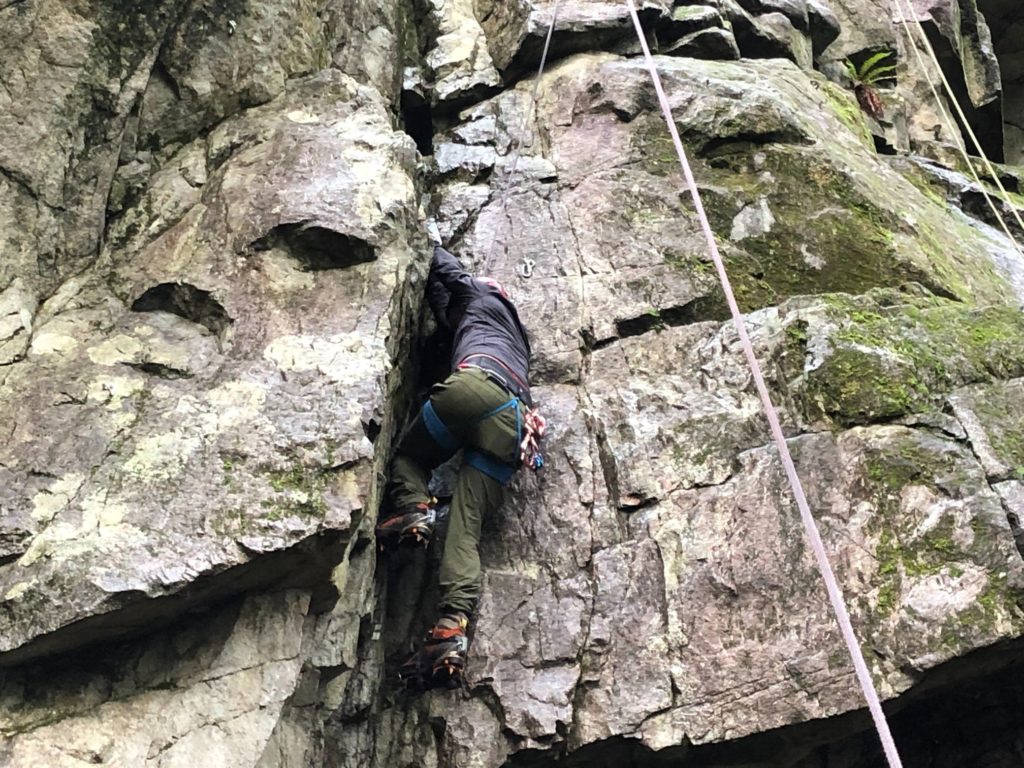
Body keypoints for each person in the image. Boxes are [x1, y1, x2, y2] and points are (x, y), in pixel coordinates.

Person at [375, 221, 539, 690]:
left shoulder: (480, 298)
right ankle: (450, 629)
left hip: (475, 387)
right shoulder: (516, 337)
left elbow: (444, 273)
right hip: (515, 423)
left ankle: (412, 509)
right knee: (464, 533)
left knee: (410, 459)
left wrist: (422, 236)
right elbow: (447, 312)